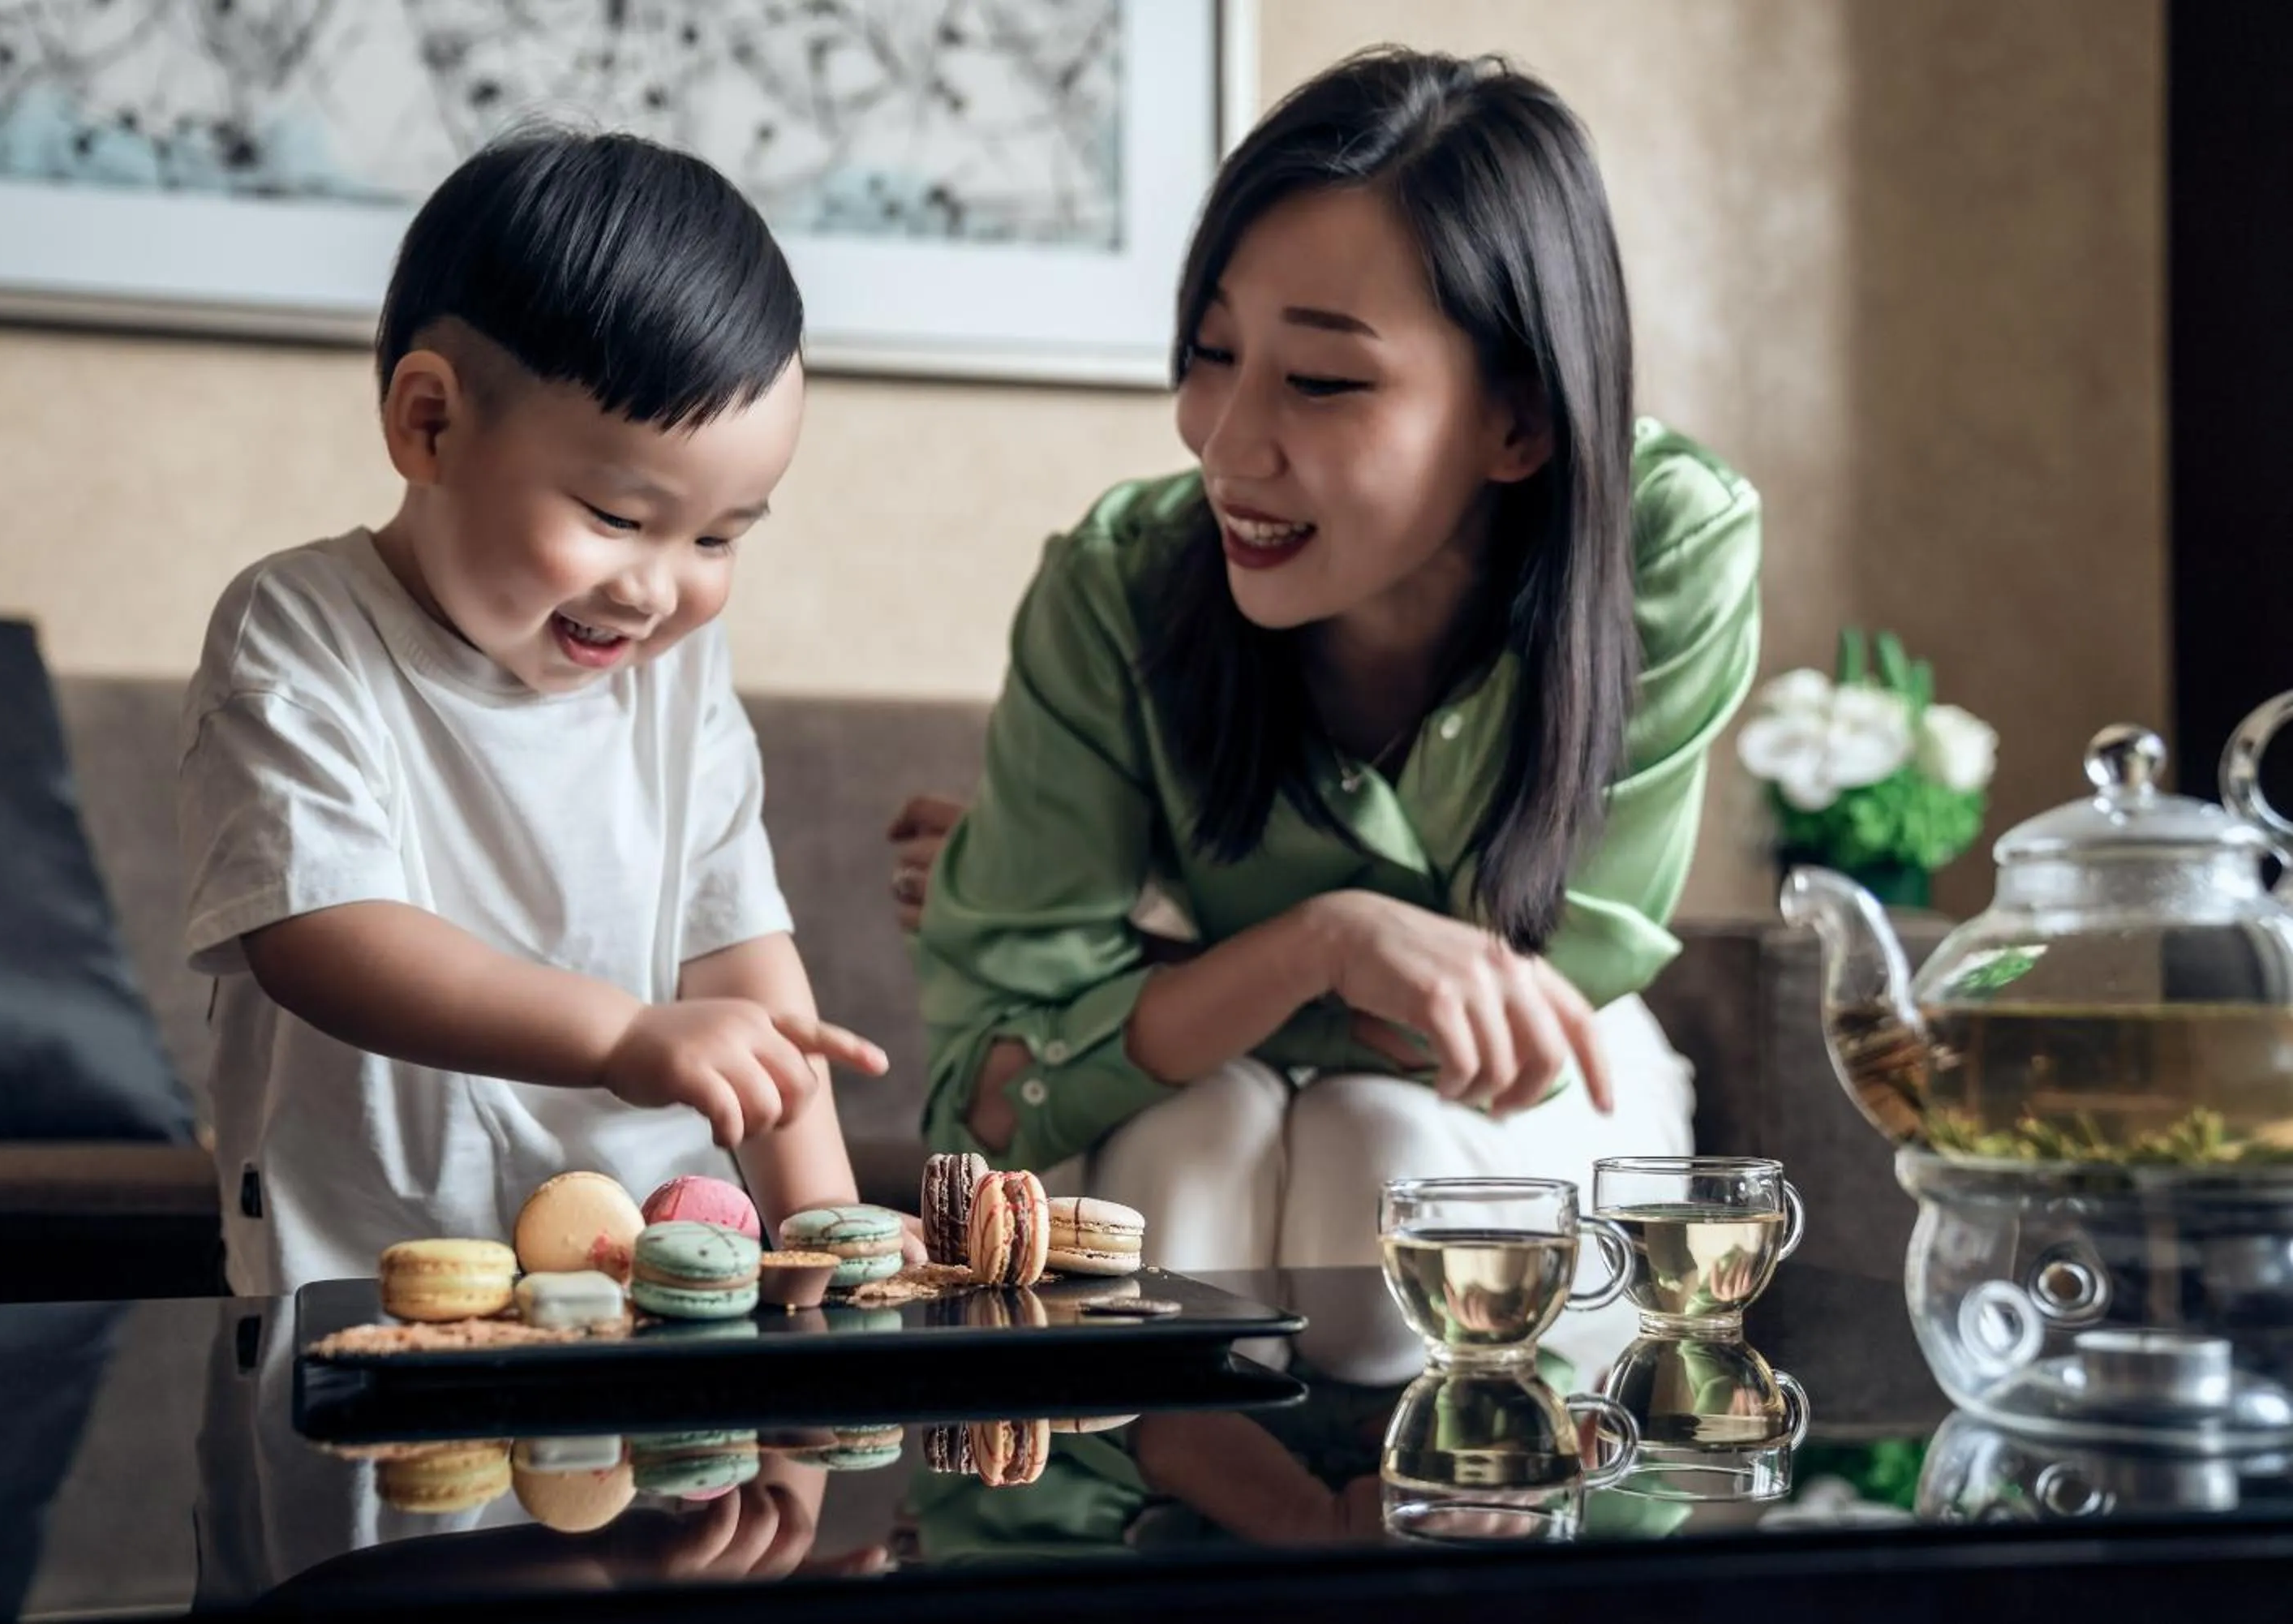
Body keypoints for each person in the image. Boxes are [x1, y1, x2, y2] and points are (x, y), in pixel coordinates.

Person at [897, 50, 1761, 1271]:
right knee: (1196, 1146)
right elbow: (987, 1094)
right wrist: (1326, 941)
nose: (1228, 445)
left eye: (1321, 378)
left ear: (1516, 420)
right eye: (1209, 351)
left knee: (1375, 1146)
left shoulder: (1668, 547)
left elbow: (1518, 1024)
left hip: (1509, 1106)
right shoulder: (1116, 582)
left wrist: (1164, 974)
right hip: (1217, 1102)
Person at [177, 128, 907, 1296]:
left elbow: (740, 956)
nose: (657, 587)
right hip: (378, 1281)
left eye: (717, 537)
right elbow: (323, 934)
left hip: (657, 1286)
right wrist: (621, 1036)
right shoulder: (300, 631)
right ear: (430, 423)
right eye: (617, 514)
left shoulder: (679, 669)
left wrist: (823, 1221)